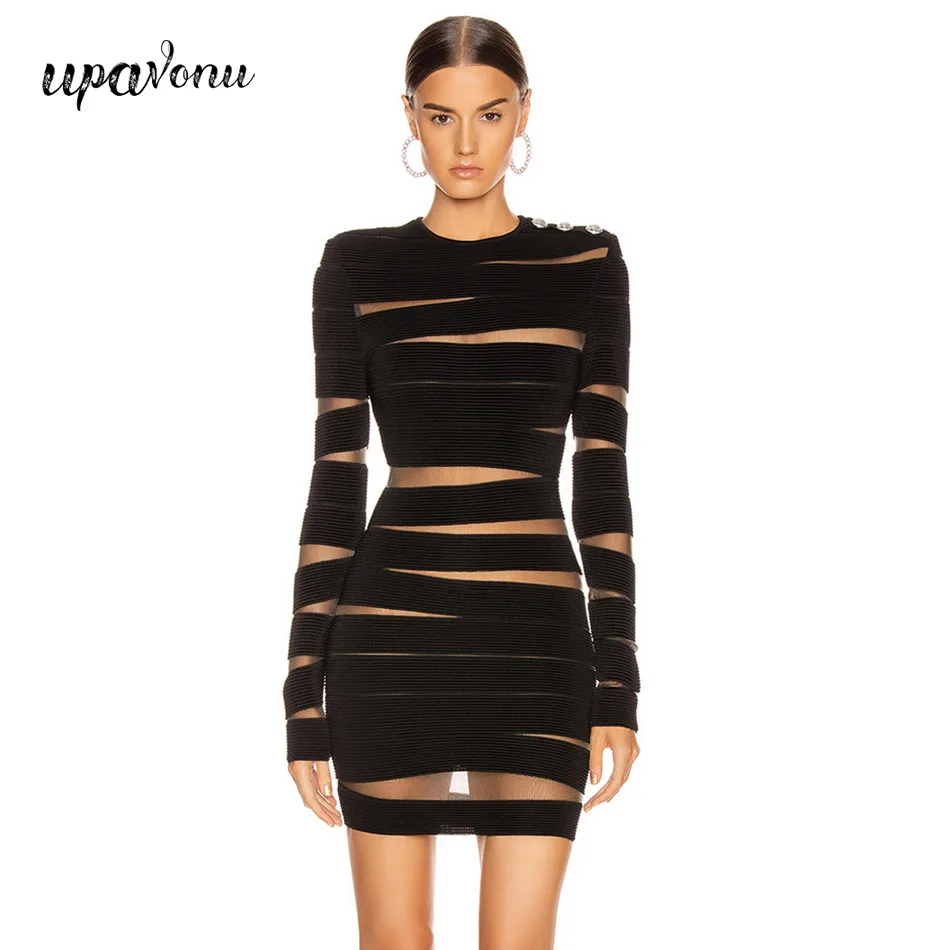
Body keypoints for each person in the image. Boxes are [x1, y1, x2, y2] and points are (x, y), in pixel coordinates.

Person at [282, 15, 640, 949]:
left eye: (490, 113)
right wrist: (301, 691)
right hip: (390, 644)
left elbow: (603, 481)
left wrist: (619, 683)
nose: (467, 143)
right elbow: (335, 476)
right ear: (410, 116)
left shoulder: (587, 265)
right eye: (441, 117)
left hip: (537, 646)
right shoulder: (356, 265)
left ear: (525, 112)